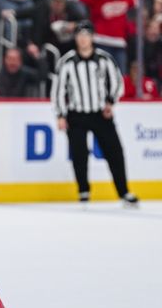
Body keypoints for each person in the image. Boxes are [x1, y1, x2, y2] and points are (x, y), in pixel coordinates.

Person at [51, 21, 138, 206]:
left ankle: (124, 192)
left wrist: (110, 102)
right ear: (76, 38)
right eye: (80, 35)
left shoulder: (104, 59)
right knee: (79, 154)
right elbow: (58, 90)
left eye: (86, 35)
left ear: (92, 37)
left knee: (115, 152)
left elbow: (117, 83)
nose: (83, 39)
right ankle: (83, 190)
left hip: (100, 114)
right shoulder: (67, 61)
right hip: (77, 114)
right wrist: (60, 115)